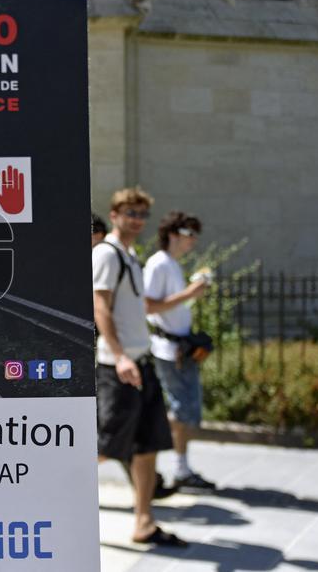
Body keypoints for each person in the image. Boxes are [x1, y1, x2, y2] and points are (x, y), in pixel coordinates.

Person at [93, 187, 184, 547]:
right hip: (119, 367)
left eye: (142, 215)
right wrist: (120, 356)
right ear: (114, 215)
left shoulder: (131, 257)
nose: (137, 220)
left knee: (147, 445)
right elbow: (100, 307)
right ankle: (43, 492)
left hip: (141, 365)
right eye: (130, 213)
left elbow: (137, 310)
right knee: (105, 445)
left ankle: (144, 523)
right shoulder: (106, 254)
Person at [144, 211, 216, 491]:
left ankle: (180, 467)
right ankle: (177, 468)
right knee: (181, 408)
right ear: (172, 234)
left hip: (179, 347)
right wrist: (190, 293)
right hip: (168, 349)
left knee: (185, 409)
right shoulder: (159, 263)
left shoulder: (172, 264)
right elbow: (149, 306)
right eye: (189, 235)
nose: (193, 241)